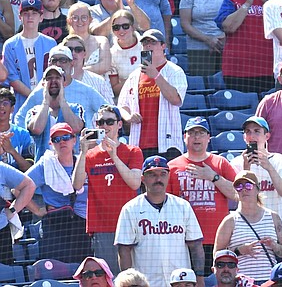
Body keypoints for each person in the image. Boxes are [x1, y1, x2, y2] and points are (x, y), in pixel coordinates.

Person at [72, 105, 143, 274]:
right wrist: (82, 152)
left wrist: (114, 157)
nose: (104, 126)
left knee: (133, 277)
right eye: (100, 122)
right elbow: (76, 185)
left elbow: (135, 183)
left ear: (119, 125)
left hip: (130, 224)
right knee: (110, 277)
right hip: (102, 225)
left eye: (109, 121)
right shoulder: (89, 155)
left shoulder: (133, 151)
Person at [115, 156, 204, 287]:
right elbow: (124, 250)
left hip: (180, 282)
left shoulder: (183, 206)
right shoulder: (130, 209)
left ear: (168, 176)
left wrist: (200, 279)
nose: (158, 179)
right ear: (142, 178)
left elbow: (196, 245)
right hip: (146, 283)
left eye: (163, 174)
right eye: (152, 174)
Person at [168, 117, 238, 275]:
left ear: (208, 137)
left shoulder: (221, 163)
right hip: (184, 241)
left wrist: (213, 177)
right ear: (184, 137)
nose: (196, 137)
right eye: (192, 133)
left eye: (201, 132)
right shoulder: (172, 167)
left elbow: (238, 195)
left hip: (216, 240)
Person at [26, 121, 91, 262]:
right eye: (56, 139)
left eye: (66, 137)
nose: (62, 142)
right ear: (51, 144)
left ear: (74, 140)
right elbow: (18, 188)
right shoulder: (46, 164)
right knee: (55, 270)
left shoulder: (85, 161)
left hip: (82, 225)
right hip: (55, 225)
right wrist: (37, 210)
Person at [118, 29, 188, 159]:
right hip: (139, 142)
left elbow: (176, 99)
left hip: (167, 142)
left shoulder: (174, 71)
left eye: (152, 42)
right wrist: (128, 117)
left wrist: (156, 75)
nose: (148, 45)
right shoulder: (134, 75)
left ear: (163, 46)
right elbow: (122, 105)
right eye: (145, 43)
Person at [214, 170, 282, 283]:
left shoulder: (273, 217)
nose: (243, 189)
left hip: (269, 281)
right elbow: (217, 255)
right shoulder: (229, 221)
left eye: (248, 185)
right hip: (242, 282)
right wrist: (239, 250)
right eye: (239, 187)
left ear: (257, 189)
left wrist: (274, 245)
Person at [3, 0, 56, 109]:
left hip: (48, 100)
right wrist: (34, 97)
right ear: (20, 17)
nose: (30, 17)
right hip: (21, 101)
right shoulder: (10, 45)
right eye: (26, 13)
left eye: (34, 13)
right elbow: (12, 78)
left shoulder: (50, 43)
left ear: (41, 17)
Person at [179, 0, 226, 77]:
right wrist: (208, 39)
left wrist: (223, 37)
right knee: (203, 84)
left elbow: (232, 17)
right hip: (198, 46)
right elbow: (185, 24)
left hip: (223, 43)